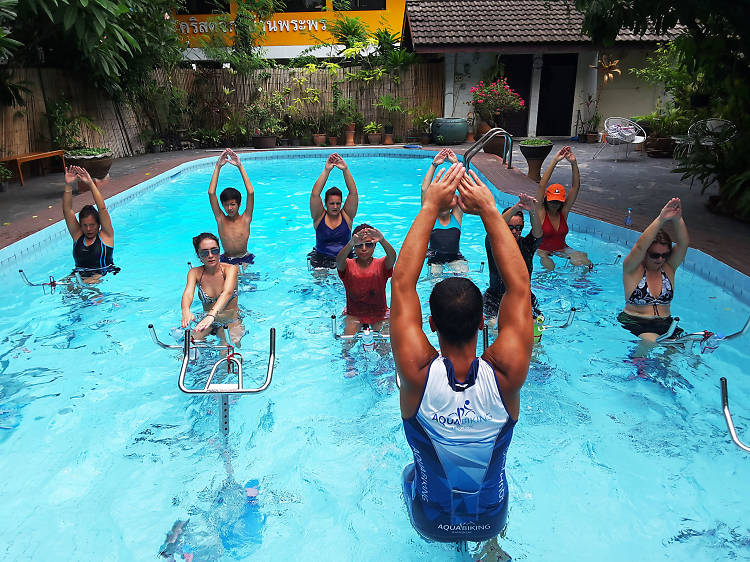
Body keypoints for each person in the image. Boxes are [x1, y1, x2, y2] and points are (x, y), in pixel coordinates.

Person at [391, 163, 533, 543]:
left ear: (431, 324)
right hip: (491, 518)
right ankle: (490, 547)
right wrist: (489, 209)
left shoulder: (417, 374)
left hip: (432, 520)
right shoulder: (506, 375)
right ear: (483, 323)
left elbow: (402, 284)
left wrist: (428, 208)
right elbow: (519, 287)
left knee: (409, 473)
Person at [619, 198, 689, 341]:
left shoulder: (669, 268)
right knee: (651, 341)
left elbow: (683, 244)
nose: (660, 259)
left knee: (683, 347)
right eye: (655, 255)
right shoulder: (632, 269)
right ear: (645, 253)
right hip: (636, 321)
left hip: (665, 322)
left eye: (665, 255)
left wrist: (678, 219)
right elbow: (639, 246)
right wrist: (661, 219)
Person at [484, 193, 543, 328]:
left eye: (518, 228)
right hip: (495, 298)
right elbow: (495, 226)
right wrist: (517, 207)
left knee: (535, 329)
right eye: (510, 227)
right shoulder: (493, 243)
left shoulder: (527, 245)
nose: (515, 231)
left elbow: (538, 233)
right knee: (495, 328)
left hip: (524, 298)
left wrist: (533, 210)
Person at [534, 146, 592, 270]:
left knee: (584, 261)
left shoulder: (563, 212)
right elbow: (541, 185)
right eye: (552, 201)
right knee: (550, 266)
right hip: (543, 251)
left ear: (562, 201)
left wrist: (574, 163)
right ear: (546, 199)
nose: (554, 204)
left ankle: (582, 285)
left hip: (562, 248)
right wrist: (555, 161)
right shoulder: (541, 211)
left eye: (558, 201)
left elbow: (575, 187)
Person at [181, 233, 243, 346]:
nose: (210, 255)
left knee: (226, 349)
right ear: (198, 255)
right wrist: (185, 310)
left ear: (219, 251)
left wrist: (211, 315)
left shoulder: (230, 269)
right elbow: (188, 294)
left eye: (214, 251)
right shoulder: (194, 273)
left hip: (230, 320)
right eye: (204, 252)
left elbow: (227, 293)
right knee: (187, 347)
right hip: (207, 321)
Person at [336, 223, 397, 335]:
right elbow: (338, 262)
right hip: (354, 315)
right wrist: (350, 243)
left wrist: (382, 239)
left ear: (375, 246)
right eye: (359, 245)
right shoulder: (348, 265)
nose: (364, 249)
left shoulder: (381, 265)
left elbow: (392, 257)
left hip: (380, 315)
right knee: (347, 344)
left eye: (368, 244)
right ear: (354, 247)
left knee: (385, 346)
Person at [62, 165, 116, 282]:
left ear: (99, 224)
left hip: (102, 275)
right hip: (79, 274)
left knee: (88, 284)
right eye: (85, 225)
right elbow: (67, 211)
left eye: (92, 225)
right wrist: (68, 185)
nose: (88, 229)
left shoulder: (106, 236)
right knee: (65, 286)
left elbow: (102, 208)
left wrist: (91, 184)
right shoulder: (77, 235)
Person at [308, 153, 359, 269]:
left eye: (338, 203)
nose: (335, 207)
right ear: (325, 204)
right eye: (331, 203)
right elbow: (315, 194)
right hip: (321, 259)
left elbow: (353, 193)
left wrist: (345, 170)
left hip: (346, 258)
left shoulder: (347, 216)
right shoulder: (319, 217)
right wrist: (326, 170)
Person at [421, 148, 467, 274]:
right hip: (434, 259)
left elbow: (463, 189)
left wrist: (456, 163)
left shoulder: (456, 217)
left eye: (451, 195)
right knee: (435, 280)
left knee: (464, 277)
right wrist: (434, 164)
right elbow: (425, 189)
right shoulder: (430, 217)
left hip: (455, 258)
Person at [208, 148, 255, 269]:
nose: (229, 208)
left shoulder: (246, 218)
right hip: (227, 260)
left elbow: (251, 192)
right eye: (226, 205)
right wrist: (218, 167)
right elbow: (211, 193)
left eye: (233, 204)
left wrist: (240, 166)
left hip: (245, 258)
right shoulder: (221, 219)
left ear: (239, 205)